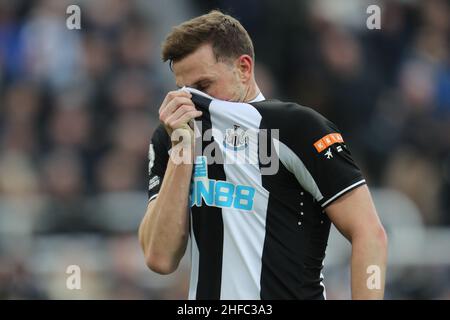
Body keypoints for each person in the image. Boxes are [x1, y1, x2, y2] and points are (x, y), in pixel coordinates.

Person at [138, 10, 387, 300]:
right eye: (182, 90)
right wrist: (182, 151)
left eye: (203, 87)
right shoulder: (171, 136)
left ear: (244, 68)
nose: (192, 102)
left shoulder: (297, 127)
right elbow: (160, 258)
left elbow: (369, 233)